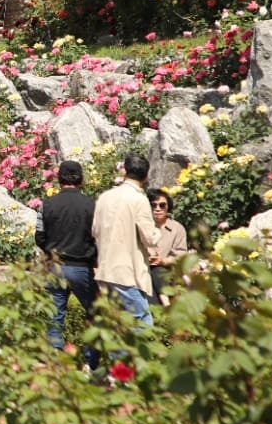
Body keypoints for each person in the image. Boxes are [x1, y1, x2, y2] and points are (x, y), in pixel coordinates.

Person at [35, 159, 99, 370]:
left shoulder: (47, 204)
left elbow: (39, 237)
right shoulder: (92, 205)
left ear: (59, 179)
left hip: (55, 266)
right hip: (82, 267)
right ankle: (91, 363)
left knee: (55, 317)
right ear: (81, 179)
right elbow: (98, 236)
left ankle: (55, 362)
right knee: (95, 313)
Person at [92, 153, 157, 331]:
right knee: (143, 324)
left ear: (125, 171)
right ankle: (134, 360)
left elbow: (94, 231)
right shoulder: (139, 199)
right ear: (146, 175)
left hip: (106, 269)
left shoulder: (105, 197)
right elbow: (150, 238)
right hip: (127, 272)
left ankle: (117, 360)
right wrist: (157, 229)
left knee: (117, 326)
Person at [146, 188, 189, 305]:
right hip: (145, 273)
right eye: (153, 205)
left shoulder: (176, 228)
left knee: (159, 271)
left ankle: (165, 304)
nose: (158, 209)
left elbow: (181, 255)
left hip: (167, 273)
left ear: (167, 207)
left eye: (162, 205)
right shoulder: (143, 227)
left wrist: (163, 261)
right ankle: (165, 304)